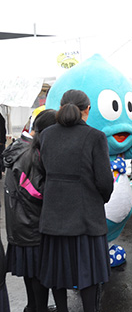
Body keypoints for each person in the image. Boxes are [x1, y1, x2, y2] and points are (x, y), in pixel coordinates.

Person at [38, 90, 114, 312]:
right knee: (88, 273)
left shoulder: (47, 135)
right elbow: (104, 181)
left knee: (57, 271)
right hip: (85, 217)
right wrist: (101, 198)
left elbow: (43, 172)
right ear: (87, 110)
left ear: (61, 106)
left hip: (54, 215)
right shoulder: (95, 136)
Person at [3, 109, 57, 312]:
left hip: (19, 222)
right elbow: (36, 192)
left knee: (30, 271)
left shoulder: (19, 147)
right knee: (38, 273)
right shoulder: (30, 154)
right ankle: (39, 308)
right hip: (30, 224)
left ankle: (32, 306)